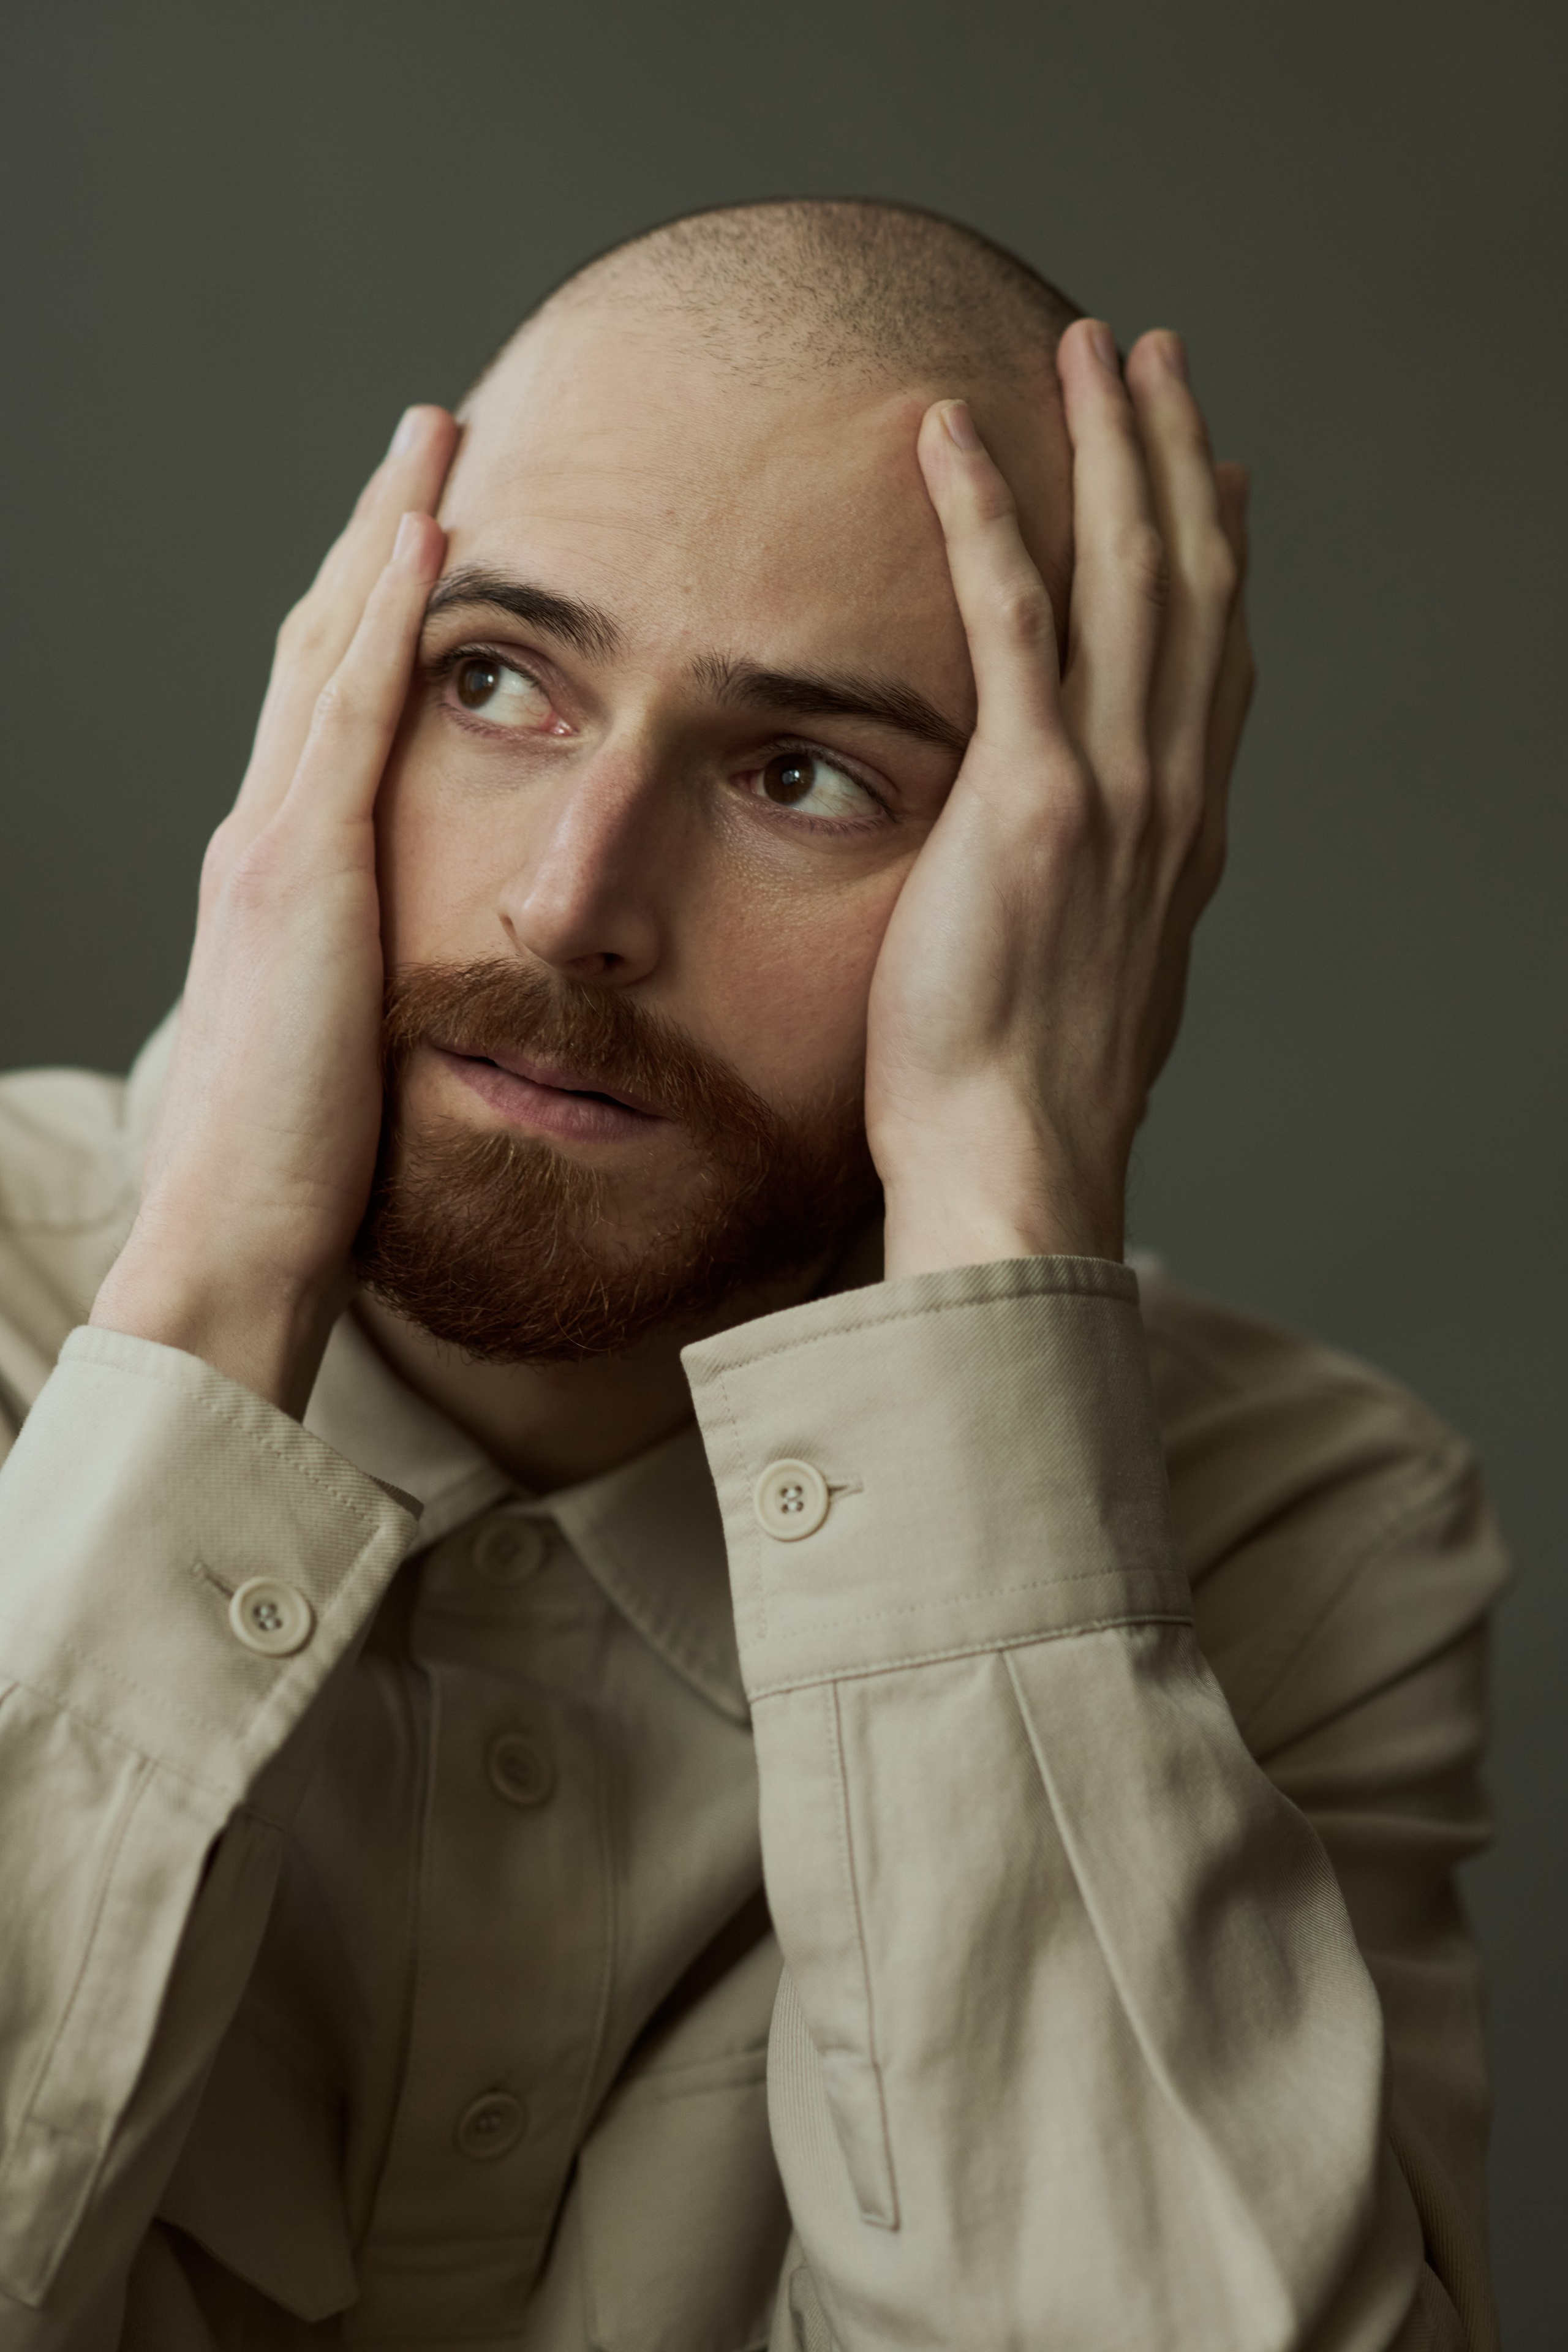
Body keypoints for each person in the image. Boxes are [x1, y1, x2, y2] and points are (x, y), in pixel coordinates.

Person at [0, 200, 1506, 2350]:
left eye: (806, 776)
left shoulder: (1309, 1539)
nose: (568, 903)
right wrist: (220, 1291)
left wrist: (994, 1206)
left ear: (1083, 873)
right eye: (496, 681)